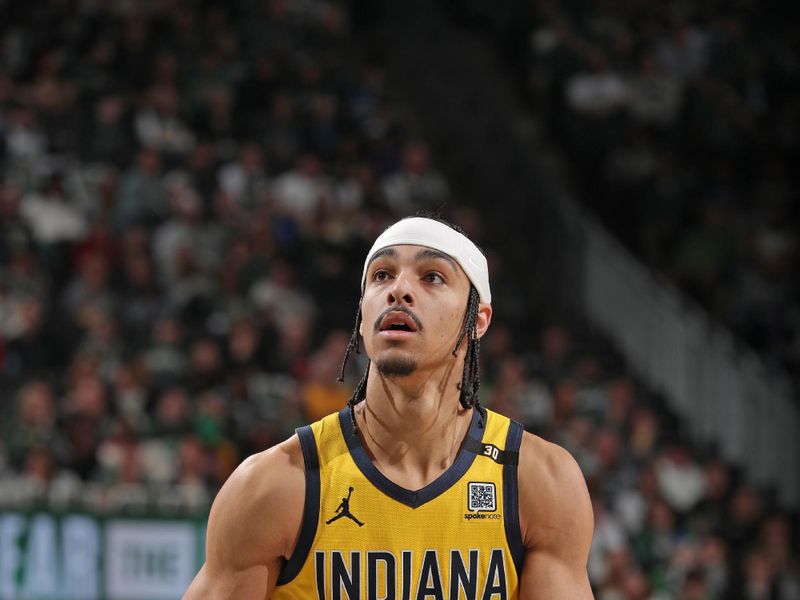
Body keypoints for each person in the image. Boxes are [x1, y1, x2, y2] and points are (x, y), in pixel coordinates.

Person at [183, 216, 594, 599]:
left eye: (432, 277)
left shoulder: (538, 481)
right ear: (362, 315)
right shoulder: (273, 487)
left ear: (478, 320)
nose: (398, 289)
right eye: (382, 275)